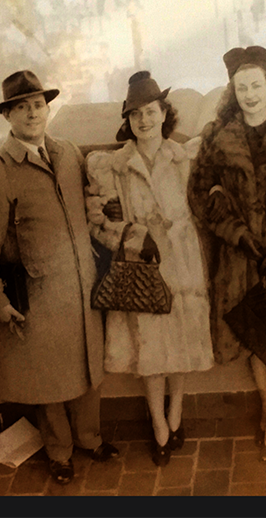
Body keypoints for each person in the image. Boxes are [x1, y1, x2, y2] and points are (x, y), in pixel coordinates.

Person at [0, 70, 119, 486]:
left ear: (47, 109)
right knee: (47, 380)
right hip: (38, 294)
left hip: (82, 286)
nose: (32, 113)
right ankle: (59, 453)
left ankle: (90, 439)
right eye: (21, 107)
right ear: (7, 116)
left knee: (88, 371)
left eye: (38, 105)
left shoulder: (68, 153)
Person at [188, 46, 266, 462]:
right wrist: (236, 233)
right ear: (233, 91)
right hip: (239, 258)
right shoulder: (218, 139)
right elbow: (200, 194)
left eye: (256, 85)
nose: (250, 94)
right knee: (251, 336)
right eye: (241, 87)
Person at [84, 71, 214, 467]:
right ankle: (158, 422)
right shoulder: (114, 167)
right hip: (142, 265)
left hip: (183, 261)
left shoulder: (184, 157)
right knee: (151, 351)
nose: (144, 121)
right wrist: (126, 231)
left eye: (151, 112)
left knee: (183, 344)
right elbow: (99, 220)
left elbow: (204, 204)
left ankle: (177, 413)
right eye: (136, 114)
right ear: (128, 121)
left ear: (164, 114)